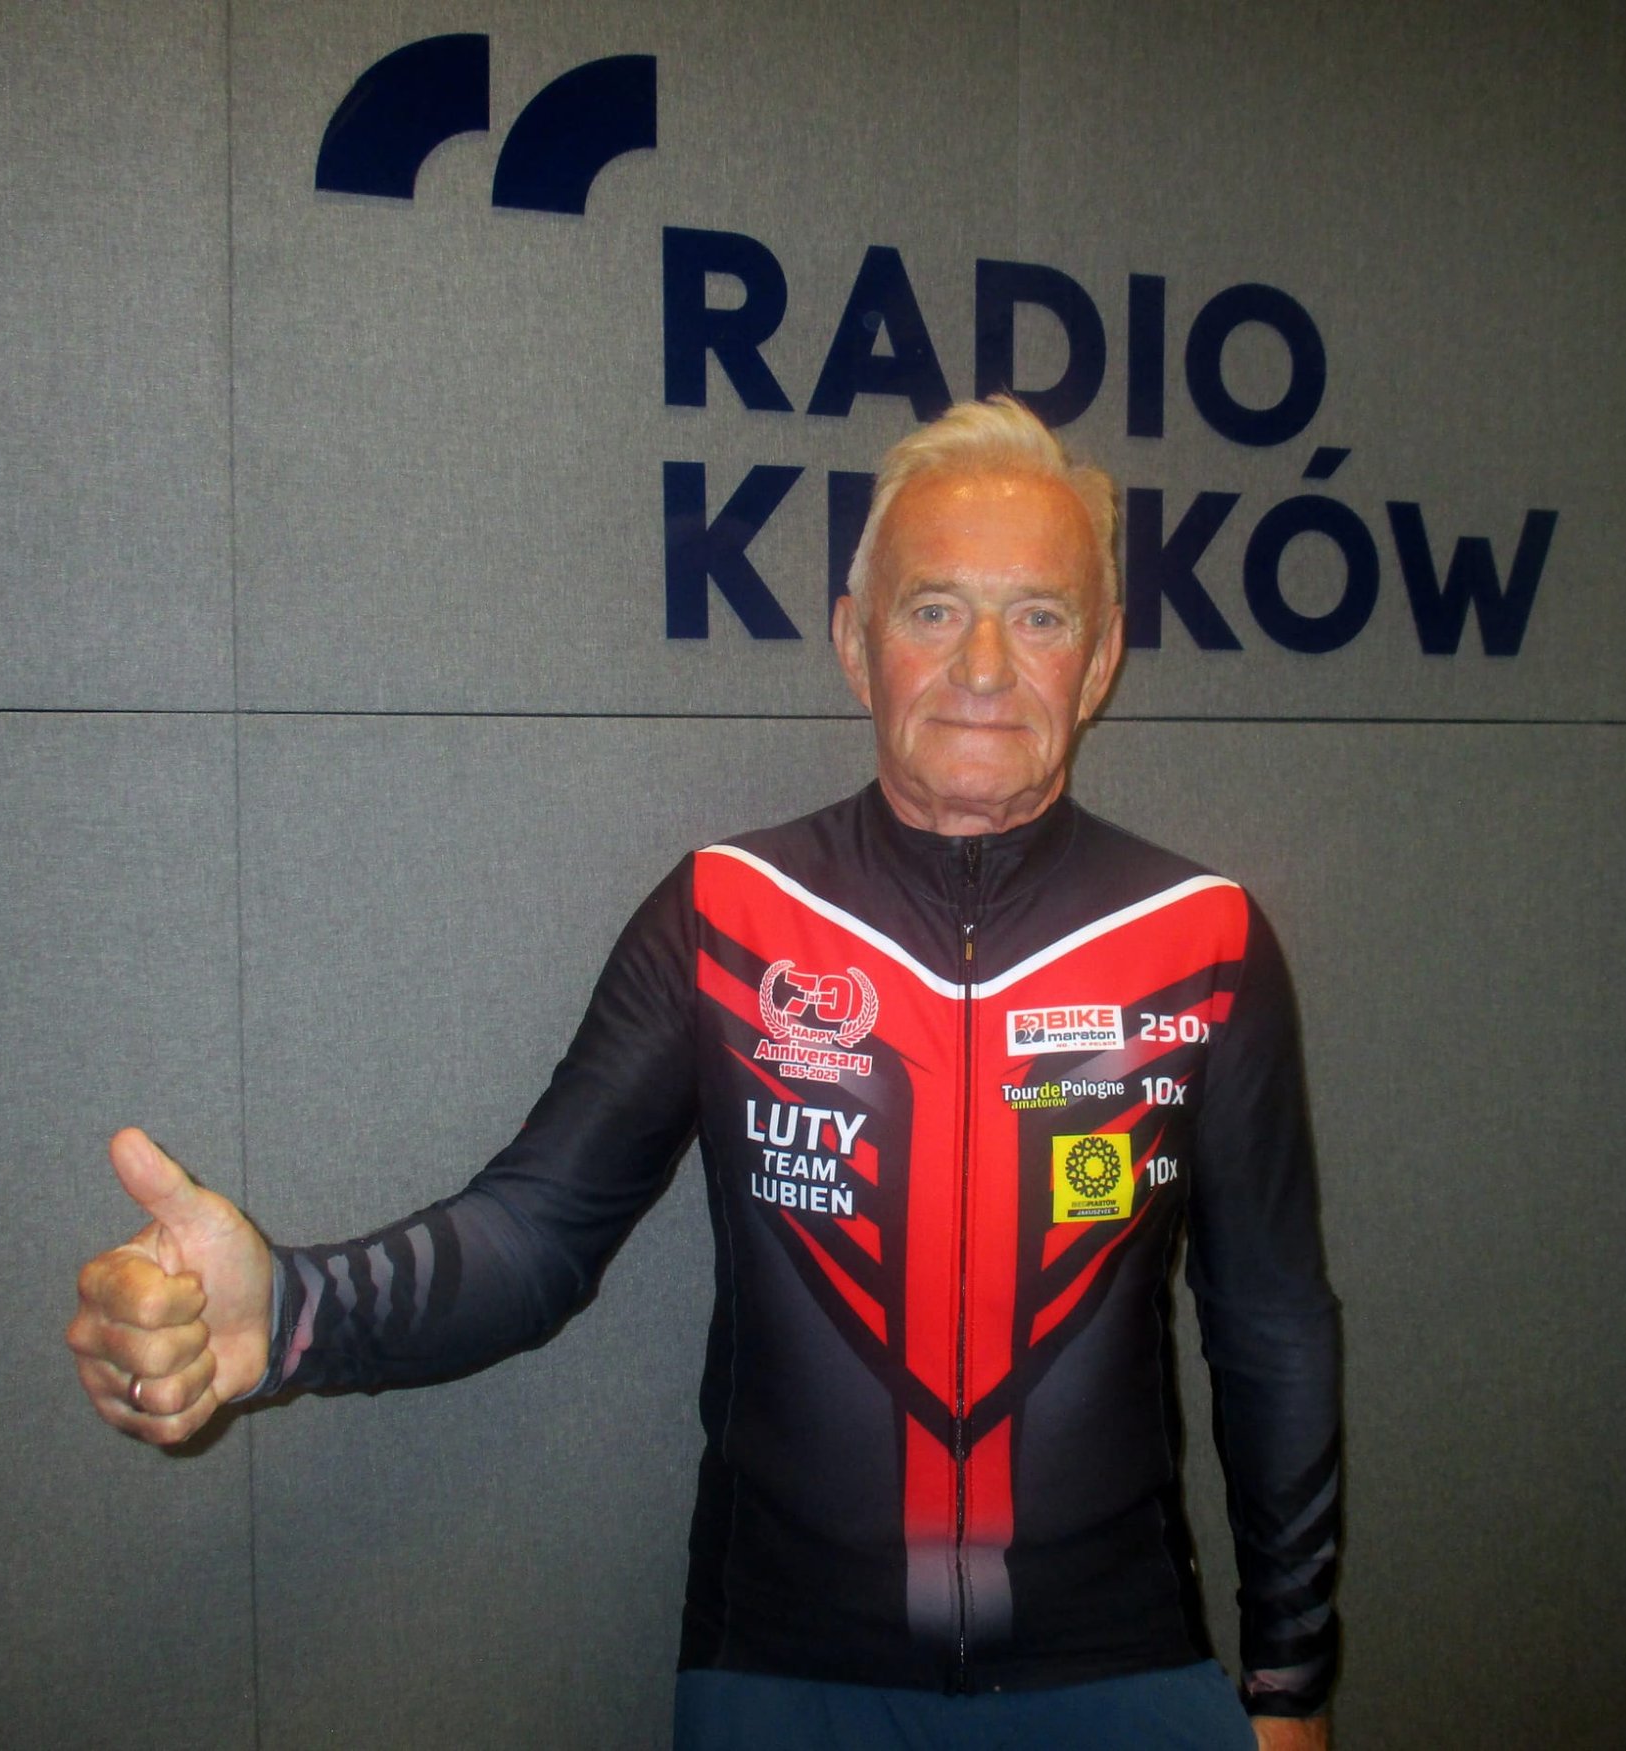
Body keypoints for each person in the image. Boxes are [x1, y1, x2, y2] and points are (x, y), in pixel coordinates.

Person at [68, 397, 1341, 1749]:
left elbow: (1271, 1326)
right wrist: (292, 1306)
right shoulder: (729, 918)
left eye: (1038, 616)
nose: (983, 665)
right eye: (933, 610)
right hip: (779, 1676)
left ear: (1099, 663)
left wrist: (1291, 1681)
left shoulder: (1202, 941)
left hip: (1122, 1676)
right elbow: (538, 1231)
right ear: (854, 643)